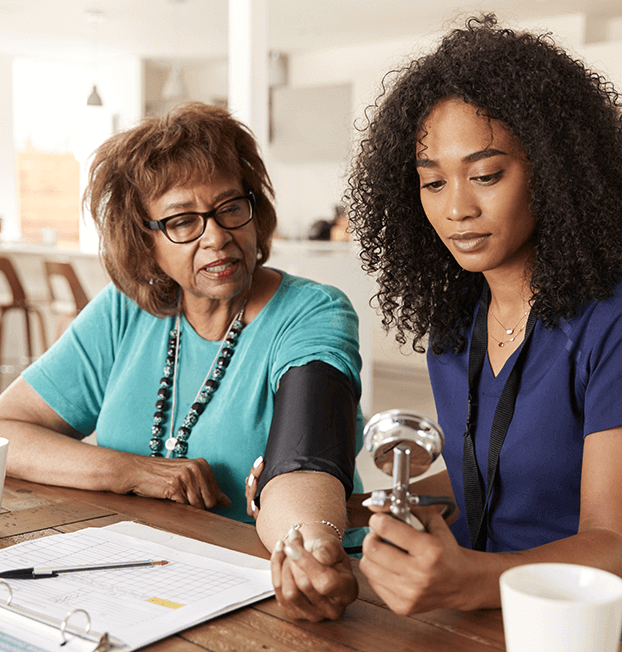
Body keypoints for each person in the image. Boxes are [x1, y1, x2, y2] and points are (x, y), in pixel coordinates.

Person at [0, 102, 362, 622]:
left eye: (231, 208)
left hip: (260, 593)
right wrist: (135, 472)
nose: (216, 236)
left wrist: (306, 548)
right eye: (182, 222)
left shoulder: (313, 313)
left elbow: (305, 462)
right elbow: (8, 433)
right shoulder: (124, 310)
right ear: (144, 242)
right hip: (134, 581)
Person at [346, 14, 622, 614]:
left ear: (555, 170)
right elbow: (493, 481)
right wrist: (360, 505)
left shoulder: (610, 325)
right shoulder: (455, 326)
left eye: (486, 175)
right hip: (474, 625)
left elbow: (615, 545)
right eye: (432, 184)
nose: (458, 209)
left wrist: (474, 579)